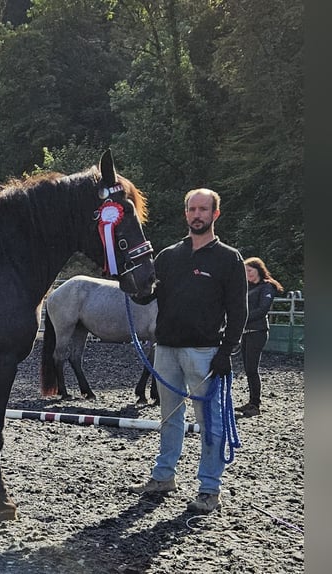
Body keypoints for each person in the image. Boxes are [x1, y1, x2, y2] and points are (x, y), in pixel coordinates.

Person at [129, 188, 247, 514]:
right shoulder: (168, 257)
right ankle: (164, 476)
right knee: (169, 417)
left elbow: (238, 311)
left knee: (210, 424)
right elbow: (147, 296)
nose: (197, 215)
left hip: (205, 354)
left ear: (215, 214)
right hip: (167, 350)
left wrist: (226, 352)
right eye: (192, 209)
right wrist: (131, 286)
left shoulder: (229, 258)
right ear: (186, 214)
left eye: (203, 209)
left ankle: (210, 489)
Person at [236, 257, 284, 417]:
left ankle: (255, 404)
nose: (247, 274)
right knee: (248, 368)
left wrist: (242, 318)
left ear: (258, 270)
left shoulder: (267, 287)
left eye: (249, 271)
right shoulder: (247, 288)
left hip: (258, 332)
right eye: (245, 272)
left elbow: (263, 310)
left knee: (252, 368)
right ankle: (251, 401)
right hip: (246, 332)